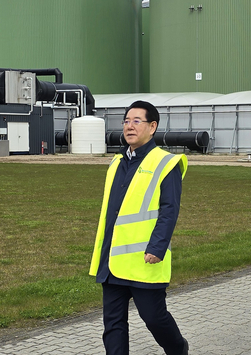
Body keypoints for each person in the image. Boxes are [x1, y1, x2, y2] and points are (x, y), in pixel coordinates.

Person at [89, 100, 189, 355]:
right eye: (126, 121)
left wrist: (157, 247)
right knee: (113, 324)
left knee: (155, 319)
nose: (129, 126)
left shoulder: (166, 163)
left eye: (136, 121)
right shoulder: (116, 163)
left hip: (144, 261)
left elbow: (169, 210)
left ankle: (179, 350)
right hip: (112, 261)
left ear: (152, 126)